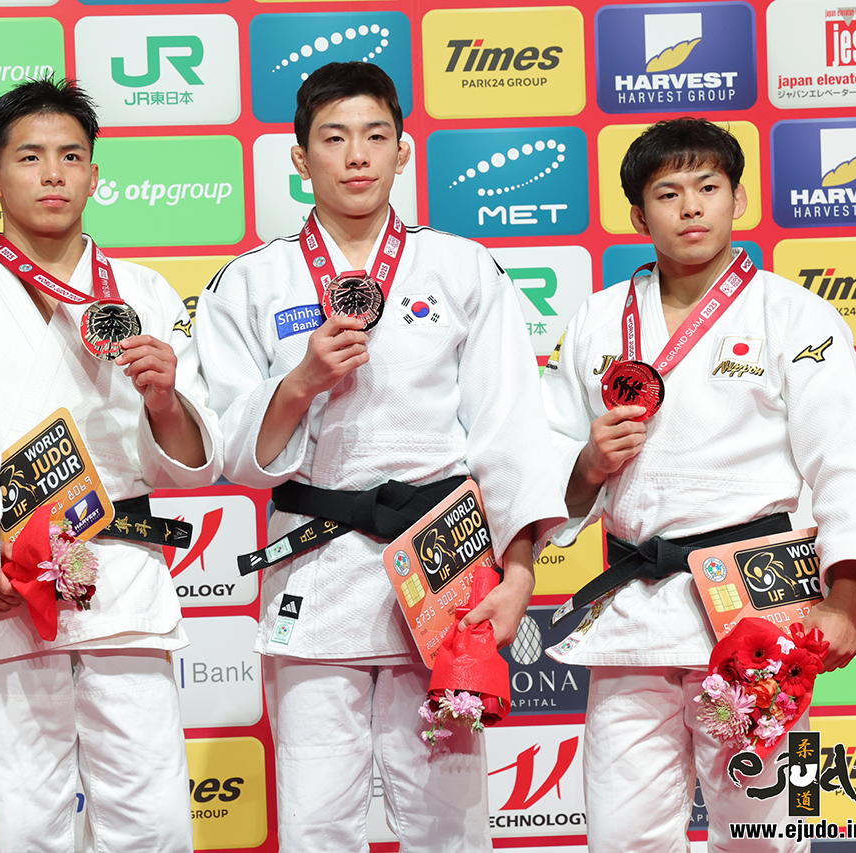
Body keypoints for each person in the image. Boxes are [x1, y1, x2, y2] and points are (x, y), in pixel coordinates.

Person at [194, 61, 566, 852]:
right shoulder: (252, 281)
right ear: (299, 158)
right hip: (318, 571)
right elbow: (232, 450)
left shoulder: (463, 268)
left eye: (374, 136)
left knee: (448, 821)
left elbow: (510, 431)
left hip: (444, 572)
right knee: (315, 818)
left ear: (403, 152)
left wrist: (521, 571)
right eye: (333, 138)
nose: (356, 155)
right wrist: (300, 383)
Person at [540, 117, 856, 852]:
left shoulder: (794, 316)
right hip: (636, 607)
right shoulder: (599, 317)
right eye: (668, 192)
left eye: (708, 187)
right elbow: (547, 463)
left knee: (758, 837)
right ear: (639, 215)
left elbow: (846, 466)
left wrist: (846, 602)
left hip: (758, 613)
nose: (690, 206)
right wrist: (587, 465)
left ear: (738, 200)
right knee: (623, 835)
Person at [0, 78, 223, 853]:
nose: (53, 174)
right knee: (23, 821)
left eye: (71, 157)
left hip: (119, 571)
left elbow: (194, 467)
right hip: (2, 584)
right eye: (30, 157)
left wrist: (164, 400)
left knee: (151, 816)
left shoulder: (146, 294)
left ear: (93, 173)